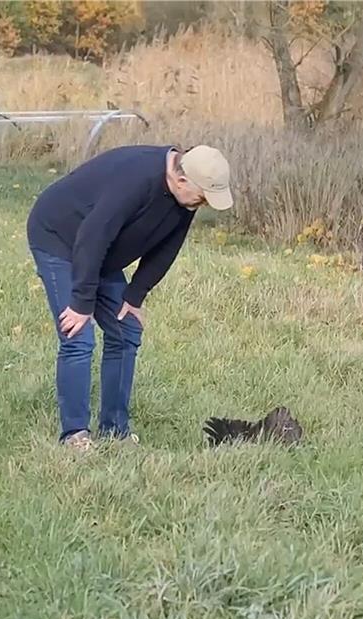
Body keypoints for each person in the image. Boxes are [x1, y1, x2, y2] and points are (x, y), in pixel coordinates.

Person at [26, 144, 233, 450]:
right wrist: (82, 302)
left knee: (126, 329)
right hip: (59, 236)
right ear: (181, 181)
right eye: (202, 197)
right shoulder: (136, 179)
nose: (202, 204)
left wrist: (134, 296)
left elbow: (167, 247)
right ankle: (75, 435)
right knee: (78, 334)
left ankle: (115, 431)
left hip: (101, 251)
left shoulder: (185, 198)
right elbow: (93, 236)